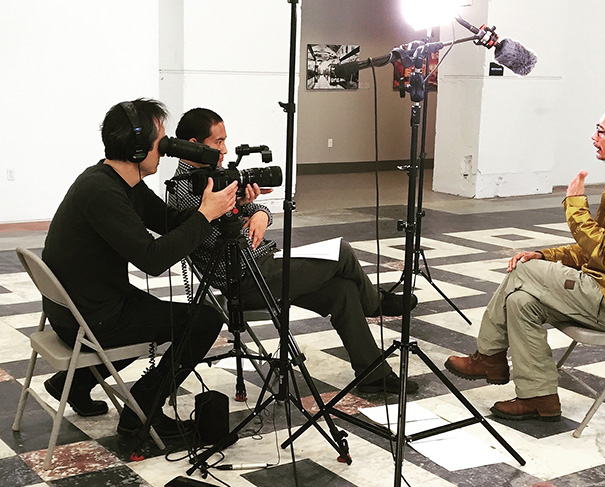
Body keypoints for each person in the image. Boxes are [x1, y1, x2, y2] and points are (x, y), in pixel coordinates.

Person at [444, 103, 605, 421]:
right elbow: (597, 247)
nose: (594, 136)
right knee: (521, 300)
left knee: (524, 272)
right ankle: (539, 398)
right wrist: (547, 255)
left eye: (602, 130)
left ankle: (487, 356)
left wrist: (575, 205)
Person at [169, 107, 419, 394]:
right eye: (218, 142)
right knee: (343, 252)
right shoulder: (185, 188)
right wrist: (236, 207)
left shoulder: (214, 174)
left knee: (343, 292)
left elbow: (257, 207)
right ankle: (376, 304)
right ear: (193, 143)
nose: (224, 149)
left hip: (263, 266)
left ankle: (372, 374)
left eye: (225, 141)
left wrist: (259, 212)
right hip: (246, 280)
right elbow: (213, 238)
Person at [41, 98, 240, 438]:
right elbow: (153, 259)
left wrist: (220, 207)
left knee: (158, 315)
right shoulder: (105, 193)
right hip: (90, 317)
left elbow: (168, 221)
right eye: (160, 140)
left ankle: (73, 384)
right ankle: (141, 412)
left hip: (82, 303)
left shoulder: (112, 181)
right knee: (204, 320)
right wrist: (205, 215)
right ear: (137, 149)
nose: (165, 149)